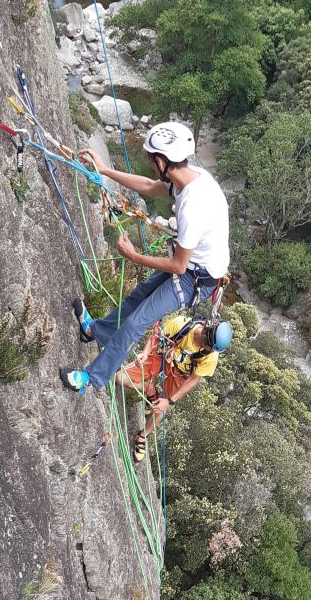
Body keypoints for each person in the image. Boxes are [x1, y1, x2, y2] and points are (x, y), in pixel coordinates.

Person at [60, 121, 230, 395]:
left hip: (196, 279)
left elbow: (178, 265)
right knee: (138, 297)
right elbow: (151, 187)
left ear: (162, 161)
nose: (151, 165)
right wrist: (105, 171)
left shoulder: (192, 206)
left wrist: (134, 256)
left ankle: (91, 379)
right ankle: (95, 331)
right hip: (194, 267)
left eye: (151, 160)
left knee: (135, 324)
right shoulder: (190, 175)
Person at [116, 313, 233, 463]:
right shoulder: (182, 325)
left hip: (181, 374)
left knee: (161, 409)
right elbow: (157, 336)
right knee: (120, 378)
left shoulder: (211, 356)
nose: (210, 351)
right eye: (210, 347)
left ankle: (142, 436)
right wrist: (145, 352)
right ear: (206, 333)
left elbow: (194, 379)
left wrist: (169, 401)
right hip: (163, 358)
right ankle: (149, 390)